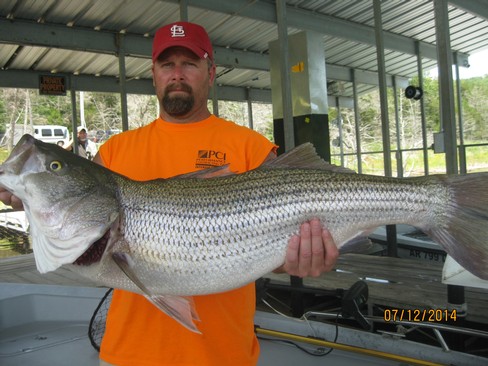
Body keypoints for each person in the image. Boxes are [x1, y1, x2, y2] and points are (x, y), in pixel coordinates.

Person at [0, 21, 339, 366]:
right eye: (167, 64)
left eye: (189, 63)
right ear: (154, 73)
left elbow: (275, 257)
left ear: (211, 71)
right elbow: (73, 213)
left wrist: (299, 259)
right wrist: (30, 197)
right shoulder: (115, 152)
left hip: (225, 356)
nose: (177, 73)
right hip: (126, 356)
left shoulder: (250, 146)